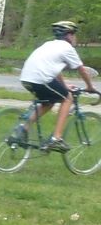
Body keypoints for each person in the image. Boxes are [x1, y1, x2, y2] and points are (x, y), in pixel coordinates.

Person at [17, 20, 99, 152]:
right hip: (41, 79)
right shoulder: (68, 48)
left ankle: (24, 128)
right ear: (69, 35)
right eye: (74, 34)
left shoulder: (49, 45)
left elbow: (54, 69)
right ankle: (56, 138)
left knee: (48, 103)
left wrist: (64, 84)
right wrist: (90, 86)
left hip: (26, 78)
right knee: (68, 98)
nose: (75, 38)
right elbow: (82, 70)